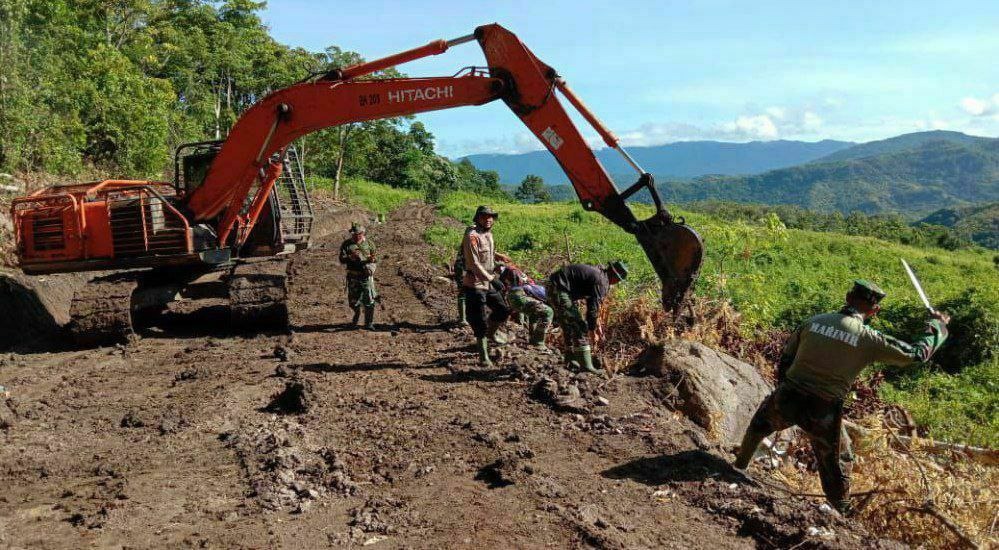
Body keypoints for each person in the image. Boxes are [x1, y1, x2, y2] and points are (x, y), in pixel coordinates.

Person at [733, 279, 950, 515]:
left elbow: (785, 360)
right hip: (824, 408)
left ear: (848, 297)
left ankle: (737, 467)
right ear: (874, 310)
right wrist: (937, 328)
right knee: (837, 461)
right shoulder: (869, 338)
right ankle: (842, 513)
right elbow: (916, 354)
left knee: (759, 427)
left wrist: (785, 388)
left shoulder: (813, 322)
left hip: (790, 394)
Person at [546, 261, 628, 373]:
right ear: (614, 275)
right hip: (559, 289)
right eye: (618, 279)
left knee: (569, 326)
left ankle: (570, 359)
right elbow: (593, 308)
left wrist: (595, 325)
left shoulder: (599, 275)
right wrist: (591, 330)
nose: (617, 282)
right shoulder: (602, 281)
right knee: (580, 326)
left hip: (555, 286)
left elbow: (592, 305)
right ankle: (587, 366)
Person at [461, 205, 512, 366]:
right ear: (477, 218)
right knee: (480, 321)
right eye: (485, 216)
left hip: (488, 280)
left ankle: (492, 334)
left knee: (502, 309)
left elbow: (488, 255)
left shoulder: (488, 234)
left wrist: (498, 261)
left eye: (491, 217)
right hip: (475, 283)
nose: (489, 219)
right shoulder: (472, 236)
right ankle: (483, 356)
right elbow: (474, 263)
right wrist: (492, 279)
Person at [499, 265, 553, 350]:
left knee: (534, 314)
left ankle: (533, 339)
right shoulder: (512, 270)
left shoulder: (508, 270)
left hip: (514, 296)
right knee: (548, 312)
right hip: (518, 296)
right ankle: (539, 343)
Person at [338, 223, 378, 329]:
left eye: (358, 234)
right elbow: (341, 259)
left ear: (362, 233)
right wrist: (350, 257)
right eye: (354, 234)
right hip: (353, 277)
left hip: (366, 277)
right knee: (353, 301)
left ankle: (369, 323)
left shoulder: (369, 244)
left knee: (369, 301)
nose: (356, 236)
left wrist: (371, 260)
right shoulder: (346, 244)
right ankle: (356, 317)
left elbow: (375, 258)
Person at [451, 244, 468, 326]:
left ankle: (465, 317)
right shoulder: (472, 237)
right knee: (463, 292)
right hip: (463, 268)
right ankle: (463, 319)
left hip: (465, 267)